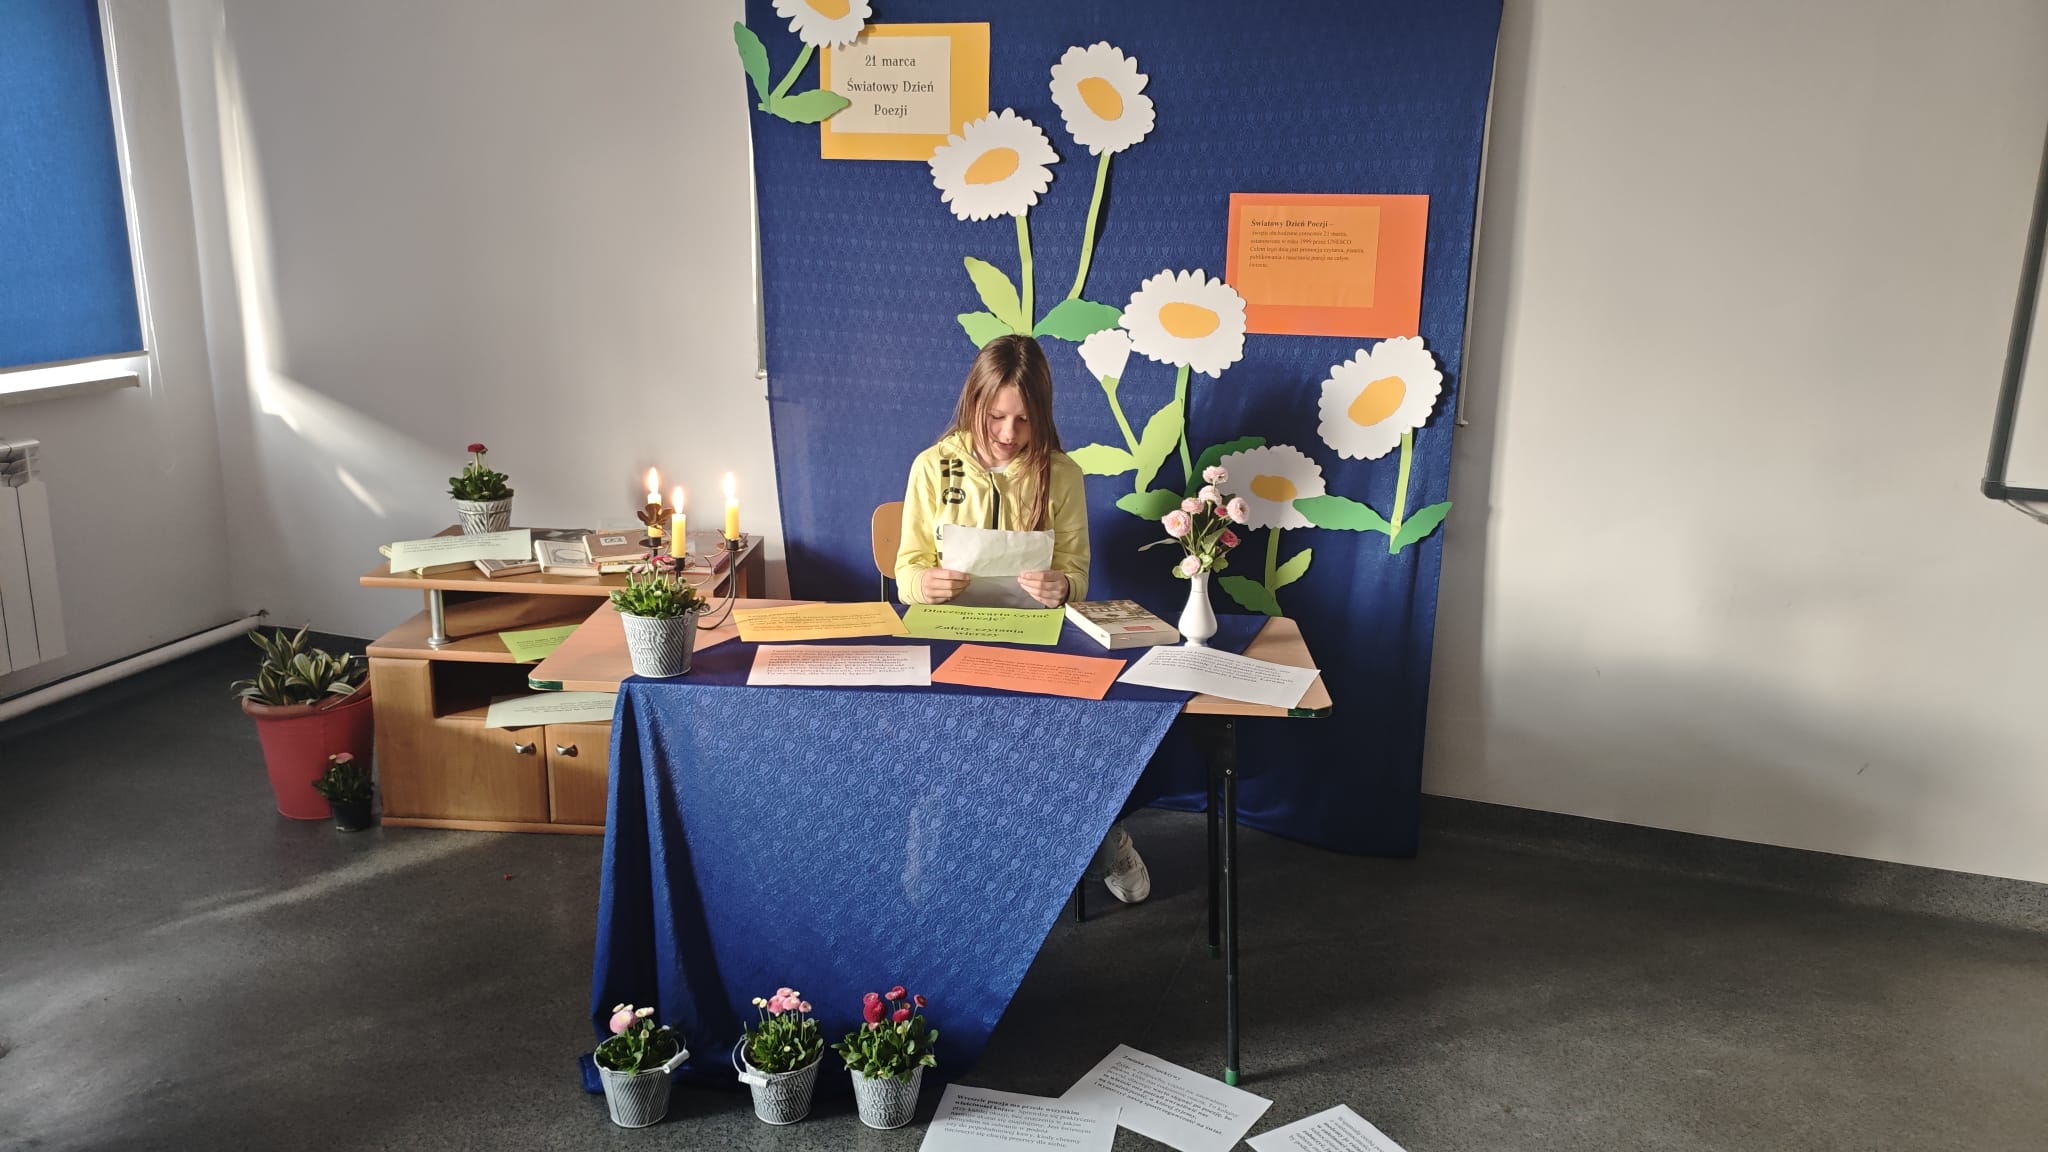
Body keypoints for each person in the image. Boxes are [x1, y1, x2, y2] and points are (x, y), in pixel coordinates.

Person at [893, 334, 1150, 903]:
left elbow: (1076, 571)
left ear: (1043, 415)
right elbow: (907, 567)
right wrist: (922, 584)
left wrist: (1063, 585)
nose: (1009, 433)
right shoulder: (932, 467)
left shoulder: (1062, 473)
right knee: (944, 740)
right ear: (974, 403)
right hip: (950, 636)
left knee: (1065, 737)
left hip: (1034, 638)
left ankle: (1106, 839)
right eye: (996, 417)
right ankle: (931, 833)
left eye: (1024, 420)